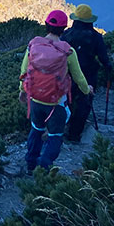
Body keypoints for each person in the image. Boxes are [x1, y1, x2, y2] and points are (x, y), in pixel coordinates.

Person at [18, 10, 92, 173]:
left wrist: (22, 91)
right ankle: (44, 166)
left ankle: (30, 163)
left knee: (36, 130)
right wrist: (87, 90)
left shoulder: (33, 45)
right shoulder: (68, 51)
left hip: (35, 99)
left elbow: (24, 71)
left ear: (46, 25)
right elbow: (79, 77)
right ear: (64, 29)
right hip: (56, 103)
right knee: (55, 136)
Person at [60, 4, 113, 141]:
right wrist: (108, 67)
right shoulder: (95, 37)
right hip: (88, 74)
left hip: (68, 74)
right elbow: (103, 57)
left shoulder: (66, 35)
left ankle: (63, 127)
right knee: (85, 103)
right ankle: (75, 133)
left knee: (68, 101)